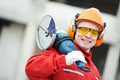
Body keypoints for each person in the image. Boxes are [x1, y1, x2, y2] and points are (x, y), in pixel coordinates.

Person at [25, 7, 106, 80]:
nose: (88, 35)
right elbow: (30, 69)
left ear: (99, 37)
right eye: (83, 29)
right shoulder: (59, 54)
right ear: (74, 30)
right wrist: (64, 60)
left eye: (94, 32)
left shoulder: (95, 74)